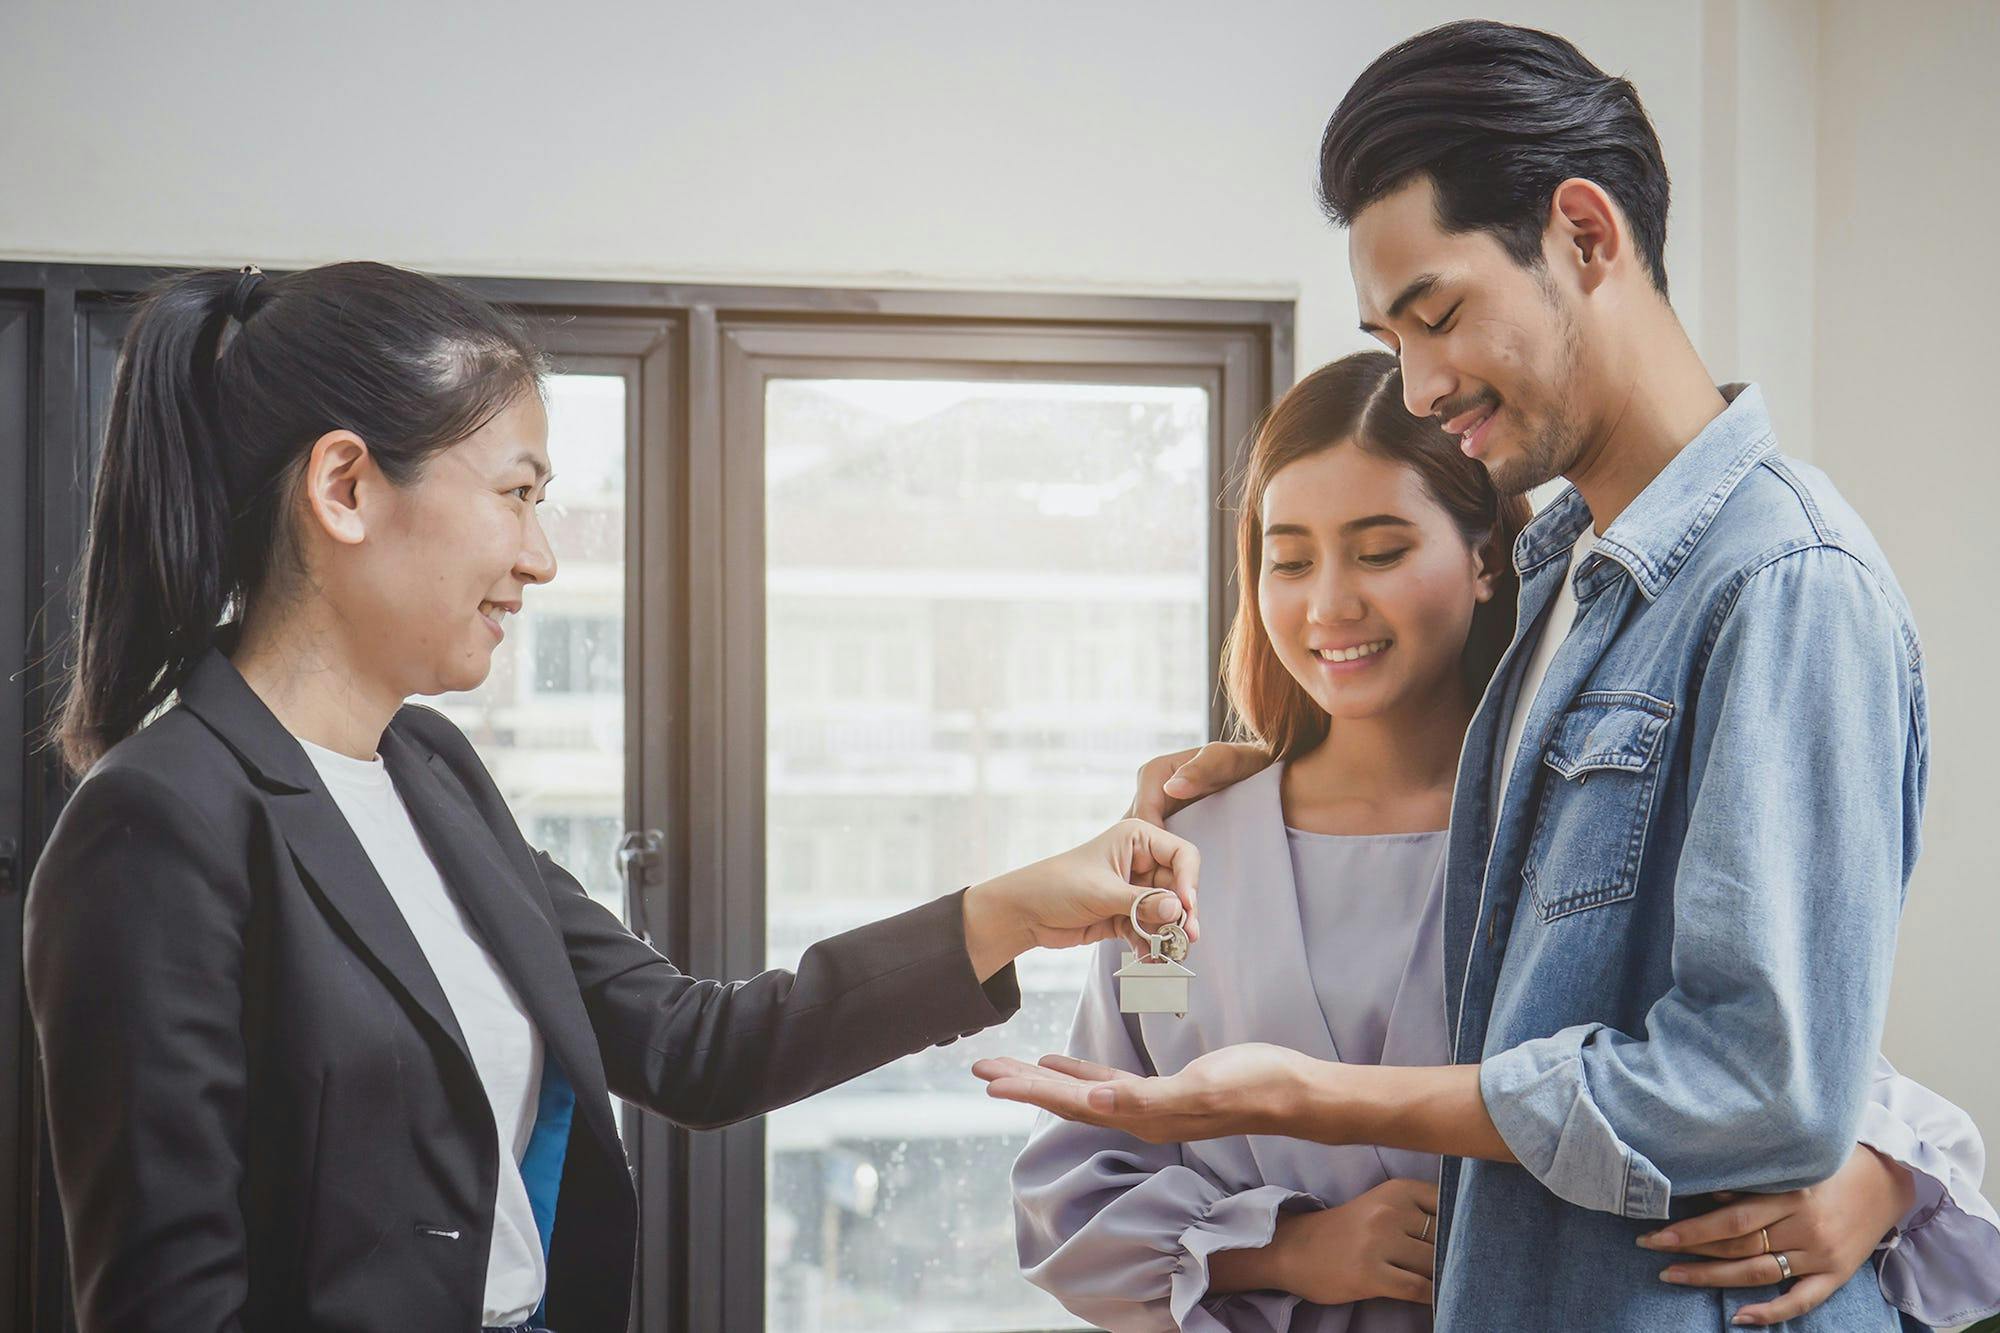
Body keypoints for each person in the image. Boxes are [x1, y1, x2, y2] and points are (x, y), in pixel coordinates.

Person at [977, 21, 1999, 1330]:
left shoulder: (1781, 581)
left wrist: (1881, 1168)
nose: (1421, 379)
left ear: (1585, 233)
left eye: (1439, 313)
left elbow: (1773, 1069)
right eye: (1286, 558)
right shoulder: (1564, 606)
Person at [22, 260, 1199, 1333]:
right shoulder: (158, 821)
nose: (541, 557)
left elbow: (698, 1047)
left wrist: (1011, 911)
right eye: (517, 493)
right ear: (344, 485)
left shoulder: (434, 776)